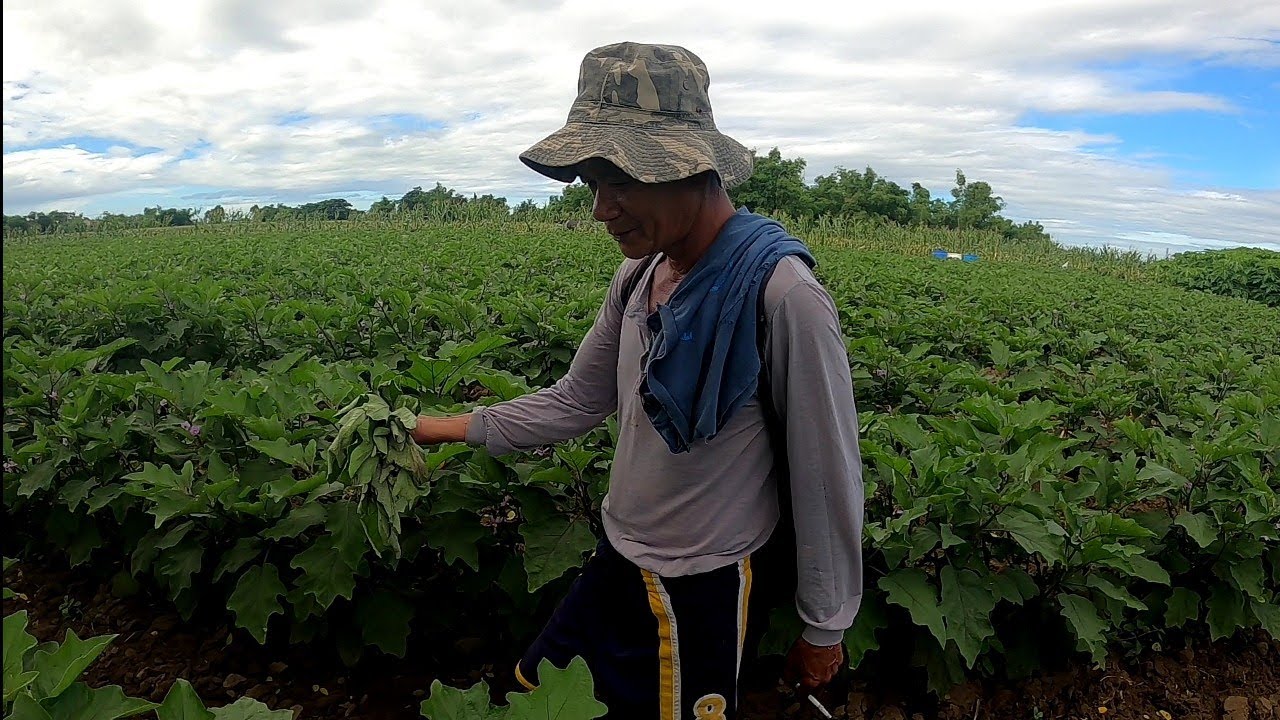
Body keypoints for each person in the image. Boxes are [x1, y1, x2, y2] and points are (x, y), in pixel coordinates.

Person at [412, 41, 864, 720]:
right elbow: (579, 398)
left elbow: (827, 469)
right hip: (620, 554)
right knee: (532, 699)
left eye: (619, 180)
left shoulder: (782, 294)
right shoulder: (639, 277)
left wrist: (824, 626)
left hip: (701, 587)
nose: (601, 209)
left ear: (692, 169)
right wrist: (438, 428)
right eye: (594, 184)